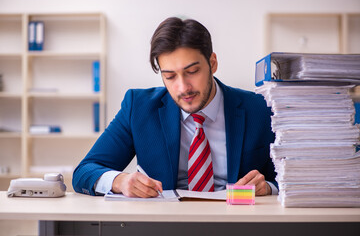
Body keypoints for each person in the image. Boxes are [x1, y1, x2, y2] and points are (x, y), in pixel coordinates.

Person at [72, 17, 277, 197]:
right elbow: (84, 171)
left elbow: (298, 179)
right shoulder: (139, 107)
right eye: (170, 76)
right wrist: (120, 181)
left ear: (212, 63)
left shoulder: (259, 108)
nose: (183, 87)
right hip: (165, 224)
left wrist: (268, 187)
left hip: (237, 223)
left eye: (193, 71)